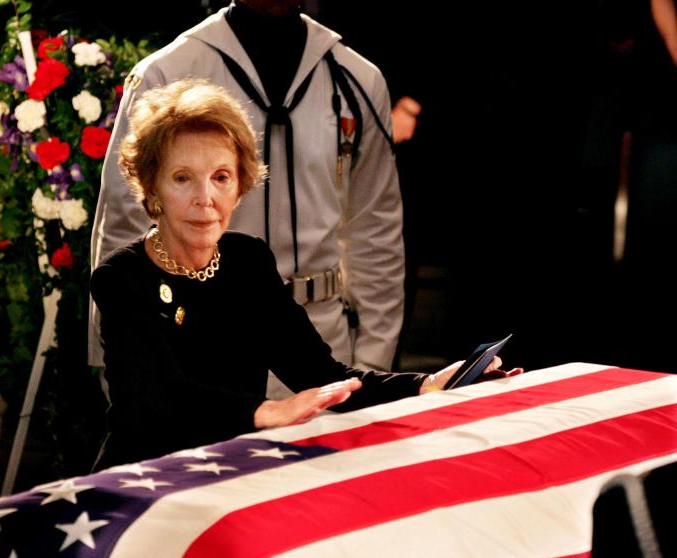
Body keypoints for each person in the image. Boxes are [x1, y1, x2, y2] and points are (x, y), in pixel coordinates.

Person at [90, 80, 518, 467]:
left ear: (240, 185)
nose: (205, 198)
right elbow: (158, 398)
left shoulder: (248, 261)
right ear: (150, 186)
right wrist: (265, 412)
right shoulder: (121, 277)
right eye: (183, 178)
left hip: (224, 474)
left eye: (221, 177)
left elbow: (323, 375)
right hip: (140, 486)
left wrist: (428, 384)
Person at [91, 0, 407, 399]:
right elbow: (124, 225)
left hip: (325, 344)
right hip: (200, 348)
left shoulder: (357, 78)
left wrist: (373, 363)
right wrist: (122, 370)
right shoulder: (167, 71)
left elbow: (375, 228)